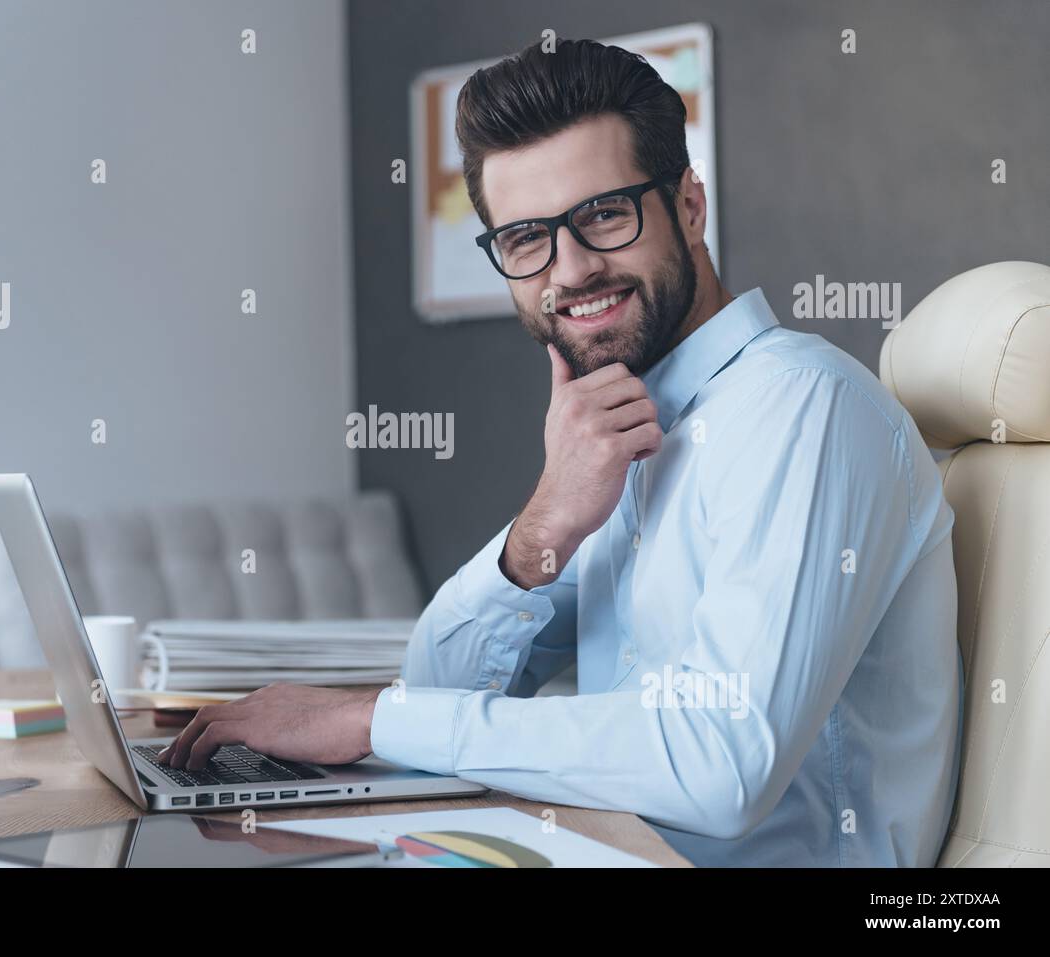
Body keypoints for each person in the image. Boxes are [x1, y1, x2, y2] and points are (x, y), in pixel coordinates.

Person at [157, 38, 962, 867]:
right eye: (524, 239)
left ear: (689, 205)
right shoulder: (628, 426)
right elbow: (439, 693)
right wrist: (542, 524)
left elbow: (720, 764)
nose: (569, 270)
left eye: (605, 214)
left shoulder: (801, 409)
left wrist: (366, 716)